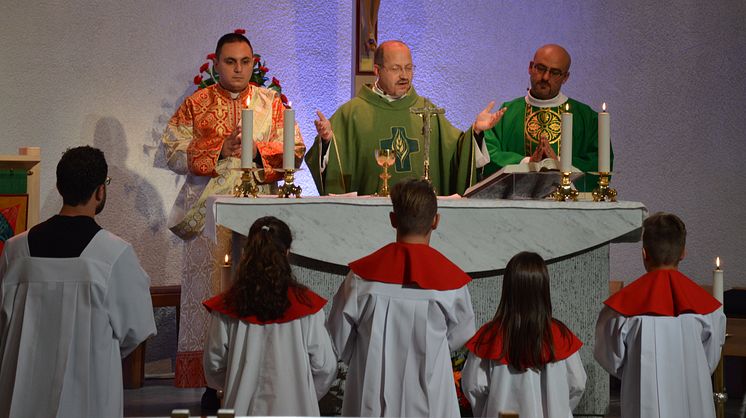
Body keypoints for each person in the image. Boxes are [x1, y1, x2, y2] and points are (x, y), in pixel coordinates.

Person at [161, 32, 305, 390]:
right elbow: (172, 152)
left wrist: (256, 151)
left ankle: (260, 373)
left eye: (245, 61)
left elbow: (297, 149)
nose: (239, 69)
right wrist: (219, 147)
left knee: (257, 289)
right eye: (230, 61)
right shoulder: (197, 103)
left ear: (254, 63)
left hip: (260, 215)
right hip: (208, 218)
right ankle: (211, 382)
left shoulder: (272, 102)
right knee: (210, 292)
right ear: (216, 64)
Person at [0, 146, 156, 418]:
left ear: (59, 187)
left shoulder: (16, 249)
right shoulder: (114, 254)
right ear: (100, 191)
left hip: (22, 392)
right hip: (87, 394)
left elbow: (4, 322)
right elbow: (135, 328)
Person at [326, 179, 476, 416]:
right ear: (436, 221)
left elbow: (338, 338)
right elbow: (460, 339)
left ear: (393, 219)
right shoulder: (451, 283)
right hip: (430, 395)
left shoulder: (361, 278)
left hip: (371, 393)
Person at [305, 40, 506, 196]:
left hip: (419, 221)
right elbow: (331, 168)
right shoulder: (352, 113)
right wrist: (327, 141)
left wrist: (476, 132)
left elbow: (456, 153)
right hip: (369, 222)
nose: (404, 75)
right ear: (377, 70)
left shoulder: (426, 111)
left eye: (408, 68)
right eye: (396, 69)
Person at [594, 212, 726, 418]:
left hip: (643, 398)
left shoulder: (620, 309)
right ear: (683, 253)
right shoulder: (709, 309)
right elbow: (709, 360)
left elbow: (610, 358)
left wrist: (635, 373)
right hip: (693, 397)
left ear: (644, 254)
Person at [202, 216, 336, 415]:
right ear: (287, 253)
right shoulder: (306, 306)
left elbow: (213, 364)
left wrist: (237, 385)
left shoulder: (229, 306)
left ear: (248, 252)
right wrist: (304, 393)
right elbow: (325, 367)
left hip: (243, 408)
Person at [461, 251, 586, 417]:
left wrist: (486, 412)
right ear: (543, 288)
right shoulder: (560, 335)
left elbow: (473, 386)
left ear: (508, 288)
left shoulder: (490, 337)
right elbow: (577, 383)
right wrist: (559, 408)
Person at [482, 44, 612, 191]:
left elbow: (598, 162)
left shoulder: (586, 117)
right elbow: (488, 154)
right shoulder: (507, 113)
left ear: (565, 77)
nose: (545, 77)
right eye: (541, 68)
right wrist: (528, 162)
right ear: (530, 67)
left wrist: (557, 162)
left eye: (555, 72)